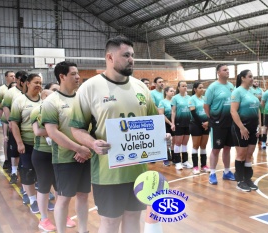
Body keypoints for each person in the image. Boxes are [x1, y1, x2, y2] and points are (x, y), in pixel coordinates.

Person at [69, 36, 162, 233]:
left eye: (133, 55)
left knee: (133, 218)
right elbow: (76, 128)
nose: (131, 59)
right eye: (126, 55)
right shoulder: (89, 87)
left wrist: (164, 137)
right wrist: (93, 144)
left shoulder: (141, 87)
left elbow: (154, 124)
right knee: (110, 223)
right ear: (110, 57)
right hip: (107, 174)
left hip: (139, 171)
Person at [41, 61, 90, 233]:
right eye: (73, 74)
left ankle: (84, 230)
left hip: (86, 156)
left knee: (83, 196)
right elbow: (52, 132)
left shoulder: (83, 98)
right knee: (63, 198)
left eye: (78, 73)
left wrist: (86, 149)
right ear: (62, 76)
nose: (78, 77)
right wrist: (78, 148)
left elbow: (90, 126)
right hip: (64, 159)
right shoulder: (51, 102)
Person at [9, 73, 42, 214]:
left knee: (42, 173)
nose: (39, 85)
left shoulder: (45, 100)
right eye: (36, 82)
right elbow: (13, 124)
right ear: (27, 83)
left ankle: (42, 198)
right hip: (27, 143)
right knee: (28, 171)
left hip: (43, 145)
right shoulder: (19, 101)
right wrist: (19, 143)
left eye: (40, 82)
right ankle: (33, 200)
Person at [31, 84, 60, 231]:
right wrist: (54, 131)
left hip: (59, 153)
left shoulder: (59, 109)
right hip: (42, 153)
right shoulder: (37, 110)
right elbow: (37, 131)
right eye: (53, 93)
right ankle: (43, 219)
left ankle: (62, 214)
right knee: (43, 186)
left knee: (59, 186)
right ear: (45, 97)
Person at [204, 64, 235, 185]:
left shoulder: (231, 86)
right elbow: (206, 106)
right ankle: (212, 173)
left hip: (230, 122)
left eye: (228, 69)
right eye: (225, 70)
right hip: (217, 123)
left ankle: (227, 172)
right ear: (218, 73)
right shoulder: (213, 87)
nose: (228, 71)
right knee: (216, 149)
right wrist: (212, 118)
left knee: (227, 148)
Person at [230, 70, 260, 192]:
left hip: (253, 128)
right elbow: (233, 111)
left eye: (252, 76)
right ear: (243, 78)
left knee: (249, 155)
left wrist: (259, 126)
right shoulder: (237, 92)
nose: (252, 79)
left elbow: (258, 109)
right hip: (241, 128)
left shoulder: (252, 91)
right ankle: (240, 180)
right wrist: (242, 128)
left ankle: (247, 179)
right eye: (250, 76)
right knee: (241, 155)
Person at [2, 71, 28, 184]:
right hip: (15, 124)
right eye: (22, 79)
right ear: (17, 80)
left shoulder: (29, 91)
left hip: (27, 126)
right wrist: (10, 122)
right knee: (14, 150)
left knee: (27, 150)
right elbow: (6, 107)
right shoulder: (11, 92)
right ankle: (13, 172)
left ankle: (28, 172)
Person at [0, 71, 15, 171]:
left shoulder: (17, 90)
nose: (13, 77)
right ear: (6, 77)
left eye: (14, 76)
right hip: (5, 118)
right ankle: (7, 159)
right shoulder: (1, 90)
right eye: (11, 76)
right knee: (6, 138)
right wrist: (0, 116)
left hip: (14, 117)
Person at [189, 82, 210, 175]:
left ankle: (204, 165)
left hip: (206, 124)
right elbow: (193, 113)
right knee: (196, 146)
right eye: (200, 88)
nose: (202, 89)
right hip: (196, 125)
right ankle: (195, 166)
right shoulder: (192, 99)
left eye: (203, 87)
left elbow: (209, 110)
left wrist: (208, 122)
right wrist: (202, 123)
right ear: (195, 89)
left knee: (203, 146)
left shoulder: (205, 98)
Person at [171, 81, 192, 170]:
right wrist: (172, 123)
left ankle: (185, 161)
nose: (185, 87)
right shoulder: (175, 98)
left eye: (186, 86)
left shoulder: (189, 98)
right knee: (178, 143)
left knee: (185, 143)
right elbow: (173, 111)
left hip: (188, 123)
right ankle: (177, 162)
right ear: (178, 87)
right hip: (179, 122)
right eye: (183, 86)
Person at [158, 86, 175, 166]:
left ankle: (174, 157)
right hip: (166, 123)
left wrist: (174, 123)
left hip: (174, 123)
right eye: (171, 91)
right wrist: (170, 123)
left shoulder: (175, 101)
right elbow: (161, 114)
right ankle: (165, 158)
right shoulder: (162, 102)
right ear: (166, 92)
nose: (173, 92)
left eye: (173, 91)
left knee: (174, 141)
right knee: (167, 141)